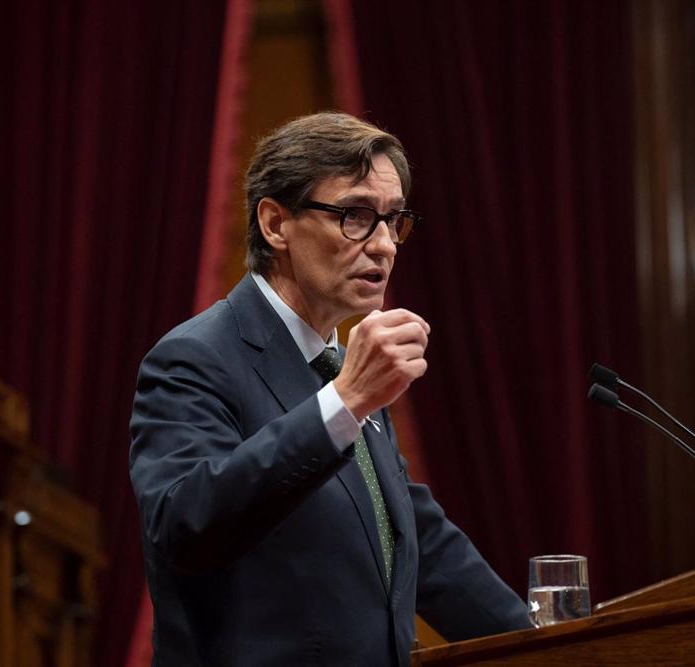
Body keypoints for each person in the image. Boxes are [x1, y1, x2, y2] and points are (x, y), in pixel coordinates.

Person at [129, 112, 531, 666]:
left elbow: (417, 540)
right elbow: (185, 525)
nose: (385, 245)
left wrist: (561, 649)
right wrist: (345, 401)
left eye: (393, 220)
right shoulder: (195, 358)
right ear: (276, 224)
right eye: (356, 216)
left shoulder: (339, 369)